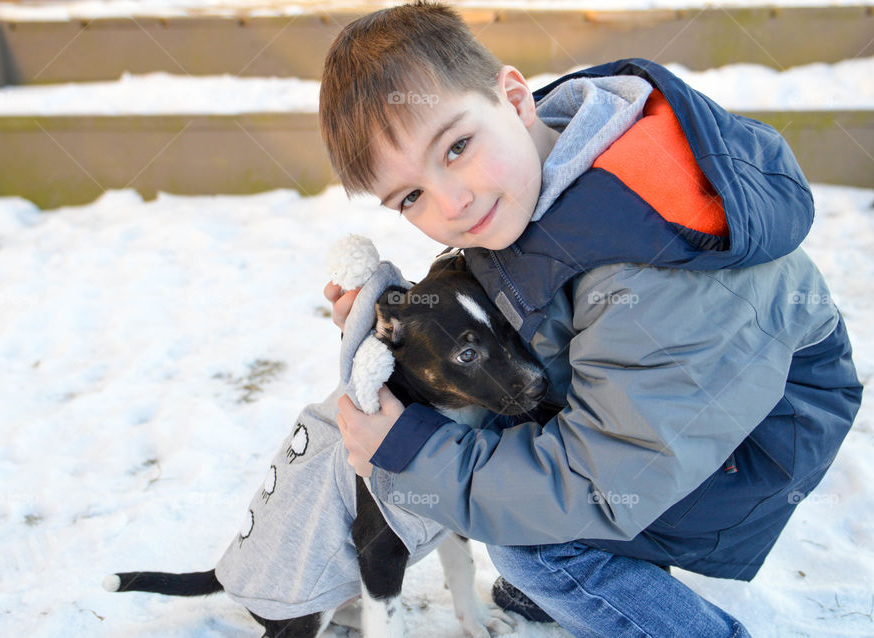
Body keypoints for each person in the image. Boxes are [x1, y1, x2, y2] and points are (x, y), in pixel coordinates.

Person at [321, 3, 863, 637]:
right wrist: (407, 329)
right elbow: (512, 306)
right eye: (410, 196)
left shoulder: (650, 273)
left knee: (536, 547)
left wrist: (413, 455)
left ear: (515, 98)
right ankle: (581, 586)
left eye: (456, 147)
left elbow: (601, 483)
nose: (452, 203)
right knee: (499, 423)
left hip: (761, 437)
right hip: (653, 396)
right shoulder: (535, 167)